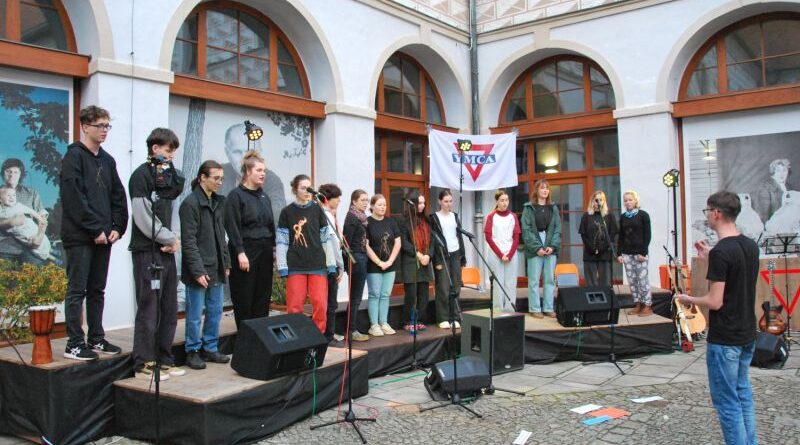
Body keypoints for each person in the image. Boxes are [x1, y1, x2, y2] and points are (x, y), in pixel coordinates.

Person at [677, 191, 759, 445]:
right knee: (742, 393)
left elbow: (715, 301)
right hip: (747, 332)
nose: (707, 216)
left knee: (727, 402)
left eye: (707, 211)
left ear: (716, 213)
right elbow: (735, 266)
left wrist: (688, 299)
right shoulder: (749, 245)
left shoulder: (723, 252)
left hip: (725, 339)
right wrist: (710, 256)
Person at [60, 105, 128, 360]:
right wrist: (94, 229)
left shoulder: (108, 161)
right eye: (100, 125)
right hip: (80, 237)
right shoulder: (74, 157)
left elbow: (118, 197)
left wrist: (116, 228)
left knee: (97, 289)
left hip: (104, 237)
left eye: (107, 126)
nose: (104, 131)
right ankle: (74, 343)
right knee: (77, 290)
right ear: (85, 127)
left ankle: (96, 338)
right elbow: (74, 197)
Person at [129, 128, 186, 380]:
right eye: (168, 149)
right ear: (155, 149)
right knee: (149, 307)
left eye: (174, 150)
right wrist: (167, 237)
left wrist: (174, 240)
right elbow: (142, 216)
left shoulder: (168, 178)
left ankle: (164, 359)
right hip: (147, 250)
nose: (172, 154)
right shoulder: (140, 175)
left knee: (169, 306)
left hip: (167, 250)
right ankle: (143, 363)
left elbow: (172, 207)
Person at [179, 160, 231, 370]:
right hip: (198, 269)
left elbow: (222, 235)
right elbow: (189, 241)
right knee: (193, 315)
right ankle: (192, 350)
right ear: (202, 177)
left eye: (221, 179)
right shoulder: (190, 204)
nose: (219, 182)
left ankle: (210, 347)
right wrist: (198, 270)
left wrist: (225, 261)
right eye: (215, 178)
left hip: (216, 266)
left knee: (215, 311)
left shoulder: (218, 202)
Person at [276, 174, 335, 333]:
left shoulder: (318, 210)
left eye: (309, 187)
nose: (307, 191)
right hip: (296, 265)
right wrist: (282, 265)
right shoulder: (287, 212)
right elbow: (281, 241)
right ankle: (297, 338)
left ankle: (318, 337)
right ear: (295, 190)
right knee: (295, 306)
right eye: (303, 188)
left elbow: (326, 239)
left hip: (317, 264)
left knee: (320, 304)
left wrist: (331, 263)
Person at [224, 150, 275, 331]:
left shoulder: (264, 196)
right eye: (259, 170)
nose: (263, 174)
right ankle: (246, 339)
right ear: (247, 172)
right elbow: (232, 226)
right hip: (246, 251)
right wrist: (240, 252)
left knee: (262, 296)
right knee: (245, 297)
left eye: (264, 170)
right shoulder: (235, 196)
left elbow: (270, 226)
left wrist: (274, 250)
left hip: (265, 251)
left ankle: (261, 340)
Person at [220, 122, 285, 220]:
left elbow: (276, 217)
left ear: (259, 152)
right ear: (227, 153)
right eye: (237, 152)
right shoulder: (218, 173)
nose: (243, 158)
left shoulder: (272, 181)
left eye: (249, 151)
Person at [521, 179, 560, 318]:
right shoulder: (528, 207)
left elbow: (557, 229)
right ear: (536, 190)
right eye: (542, 188)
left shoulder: (553, 208)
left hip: (550, 244)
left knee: (549, 279)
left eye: (547, 188)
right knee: (534, 280)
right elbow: (526, 230)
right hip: (535, 244)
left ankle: (548, 308)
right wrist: (537, 247)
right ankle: (535, 308)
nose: (545, 190)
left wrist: (552, 246)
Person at [365, 194, 401, 337]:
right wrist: (379, 262)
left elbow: (398, 242)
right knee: (375, 294)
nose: (382, 207)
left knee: (385, 295)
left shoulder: (391, 222)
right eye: (379, 204)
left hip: (390, 265)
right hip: (374, 266)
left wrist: (390, 261)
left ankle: (384, 322)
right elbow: (366, 245)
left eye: (384, 205)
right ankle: (374, 325)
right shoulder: (367, 222)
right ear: (372, 206)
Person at [0, 158, 48, 264]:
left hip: (30, 247)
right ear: (3, 173)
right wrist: (10, 222)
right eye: (8, 171)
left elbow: (42, 216)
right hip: (4, 247)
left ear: (21, 175)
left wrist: (39, 236)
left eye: (16, 172)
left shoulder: (31, 193)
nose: (12, 175)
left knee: (33, 277)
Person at [430, 189, 466, 329]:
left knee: (456, 286)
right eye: (445, 201)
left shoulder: (455, 216)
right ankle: (443, 317)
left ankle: (455, 317)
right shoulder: (434, 218)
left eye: (450, 201)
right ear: (439, 202)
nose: (448, 204)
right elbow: (433, 241)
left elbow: (460, 237)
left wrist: (463, 257)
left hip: (455, 253)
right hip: (442, 255)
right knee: (443, 287)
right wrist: (437, 261)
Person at [398, 190, 433, 331]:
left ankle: (420, 320)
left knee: (424, 295)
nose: (422, 205)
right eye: (420, 203)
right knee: (411, 295)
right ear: (412, 203)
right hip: (411, 262)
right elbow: (404, 242)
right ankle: (408, 321)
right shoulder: (403, 221)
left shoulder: (426, 220)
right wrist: (418, 254)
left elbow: (432, 242)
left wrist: (428, 256)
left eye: (424, 203)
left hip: (425, 262)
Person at [484, 189, 521, 312]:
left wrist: (509, 254)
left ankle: (510, 310)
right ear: (497, 201)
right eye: (502, 200)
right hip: (496, 254)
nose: (505, 203)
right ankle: (497, 310)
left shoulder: (513, 216)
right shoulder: (491, 216)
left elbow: (516, 237)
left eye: (507, 200)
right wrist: (500, 254)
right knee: (498, 283)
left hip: (510, 253)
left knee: (510, 283)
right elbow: (488, 237)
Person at [617, 190, 653, 316]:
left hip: (640, 254)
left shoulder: (643, 215)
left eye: (630, 200)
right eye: (625, 200)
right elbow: (620, 236)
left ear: (635, 200)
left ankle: (647, 305)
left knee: (642, 280)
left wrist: (644, 252)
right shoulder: (622, 217)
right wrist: (619, 253)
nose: (628, 202)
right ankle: (637, 304)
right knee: (632, 281)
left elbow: (648, 234)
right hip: (627, 253)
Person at [318, 183, 345, 344]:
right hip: (330, 263)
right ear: (328, 199)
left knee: (329, 302)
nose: (339, 201)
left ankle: (329, 333)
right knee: (331, 302)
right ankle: (328, 335)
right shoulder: (325, 216)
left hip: (329, 262)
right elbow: (333, 243)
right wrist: (339, 265)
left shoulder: (328, 215)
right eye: (337, 198)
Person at [342, 190, 371, 342]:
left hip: (361, 257)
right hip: (356, 259)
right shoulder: (352, 218)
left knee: (356, 297)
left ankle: (351, 329)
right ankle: (351, 330)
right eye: (362, 200)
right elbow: (346, 243)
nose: (365, 203)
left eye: (367, 200)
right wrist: (348, 264)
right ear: (354, 202)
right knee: (355, 297)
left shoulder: (361, 218)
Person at [0, 186, 50, 261]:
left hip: (27, 226)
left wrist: (40, 219)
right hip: (18, 234)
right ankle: (49, 255)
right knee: (33, 248)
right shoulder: (1, 210)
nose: (12, 197)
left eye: (14, 195)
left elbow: (31, 211)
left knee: (36, 241)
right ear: (0, 199)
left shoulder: (18, 206)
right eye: (8, 195)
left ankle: (41, 238)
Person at [579, 191, 618, 287]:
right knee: (591, 283)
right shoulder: (586, 216)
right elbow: (583, 235)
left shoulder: (609, 216)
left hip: (604, 253)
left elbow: (612, 234)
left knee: (605, 282)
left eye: (601, 200)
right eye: (596, 200)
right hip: (590, 253)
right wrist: (592, 248)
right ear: (592, 201)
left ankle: (606, 301)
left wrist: (601, 249)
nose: (598, 202)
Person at [755, 158, 790, 223]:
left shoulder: (789, 187)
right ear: (773, 172)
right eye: (778, 170)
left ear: (788, 172)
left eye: (784, 170)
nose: (782, 174)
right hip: (773, 228)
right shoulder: (765, 188)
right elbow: (764, 216)